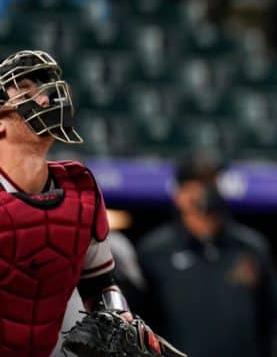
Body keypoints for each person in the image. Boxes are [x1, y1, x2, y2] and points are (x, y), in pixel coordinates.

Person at [0, 49, 173, 356]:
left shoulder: (79, 190)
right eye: (26, 90)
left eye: (45, 89)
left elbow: (100, 285)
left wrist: (120, 319)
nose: (44, 100)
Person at [137, 154, 277, 357]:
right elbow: (139, 323)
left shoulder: (251, 247)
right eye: (196, 185)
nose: (205, 194)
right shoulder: (155, 251)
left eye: (211, 184)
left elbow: (275, 320)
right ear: (179, 194)